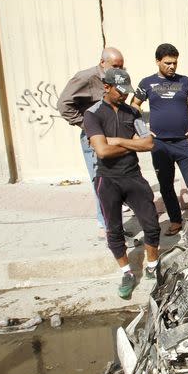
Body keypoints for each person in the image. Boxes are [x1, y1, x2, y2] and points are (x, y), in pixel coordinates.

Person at [83, 68, 161, 300]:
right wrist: (131, 143)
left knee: (152, 224)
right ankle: (127, 273)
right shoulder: (93, 114)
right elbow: (103, 151)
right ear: (106, 87)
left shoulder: (133, 112)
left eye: (127, 91)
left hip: (133, 176)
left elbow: (148, 144)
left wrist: (117, 140)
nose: (125, 95)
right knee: (114, 230)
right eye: (120, 91)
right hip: (107, 179)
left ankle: (153, 266)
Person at [132, 43, 188, 235]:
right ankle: (175, 221)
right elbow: (134, 106)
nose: (172, 67)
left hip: (184, 143)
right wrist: (143, 131)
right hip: (159, 145)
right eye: (167, 63)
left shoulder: (185, 82)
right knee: (166, 185)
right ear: (158, 61)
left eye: (174, 63)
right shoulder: (147, 83)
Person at [57, 47, 124, 235]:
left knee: (115, 178)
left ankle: (112, 222)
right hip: (96, 138)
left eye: (121, 66)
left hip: (113, 135)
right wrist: (87, 126)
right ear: (103, 62)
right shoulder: (85, 78)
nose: (119, 69)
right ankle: (107, 226)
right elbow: (63, 105)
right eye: (115, 65)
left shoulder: (117, 77)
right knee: (101, 180)